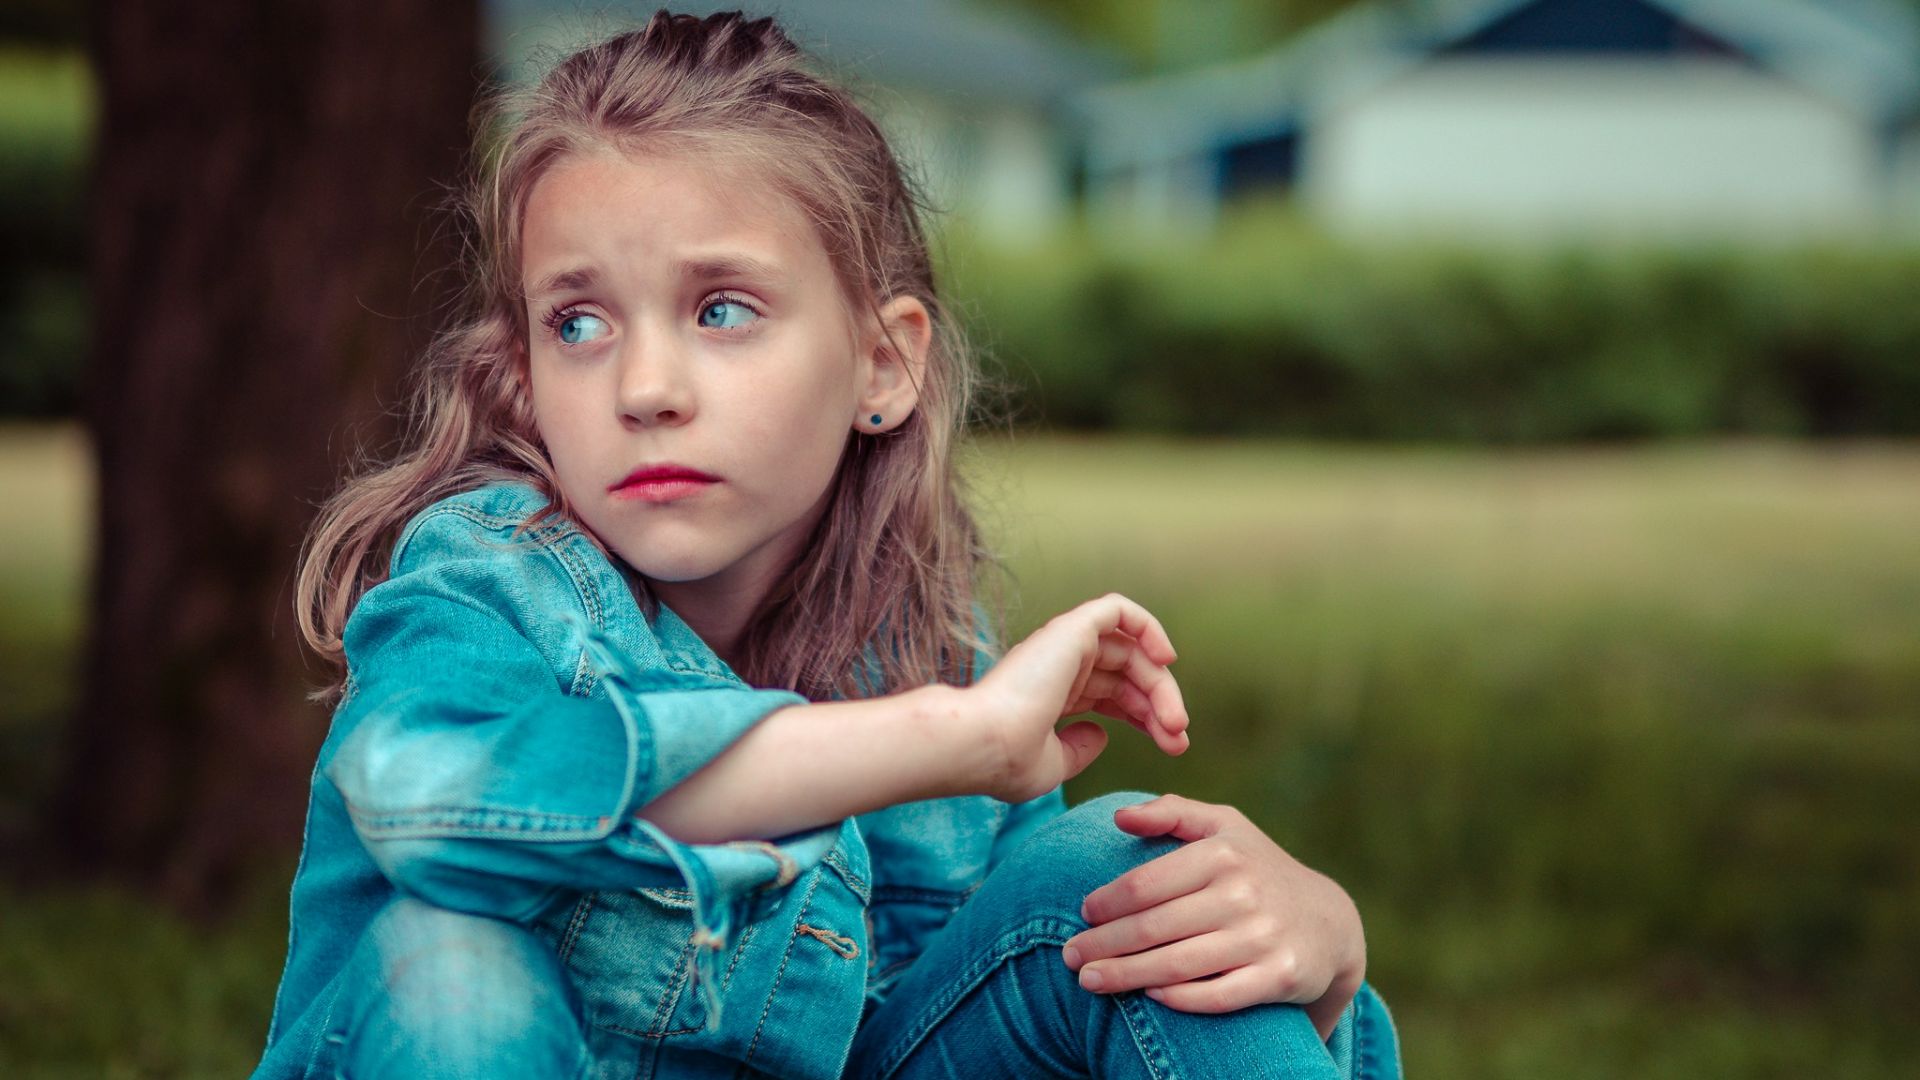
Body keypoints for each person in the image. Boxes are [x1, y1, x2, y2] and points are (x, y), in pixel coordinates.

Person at [253, 9, 1402, 1079]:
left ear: (882, 366)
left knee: (1136, 897)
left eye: (721, 310)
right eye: (580, 322)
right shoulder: (482, 582)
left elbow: (1037, 983)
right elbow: (423, 802)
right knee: (456, 969)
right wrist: (945, 738)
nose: (645, 387)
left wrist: (1333, 954)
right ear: (524, 378)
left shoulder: (926, 647)